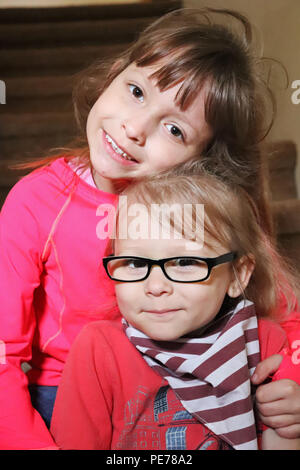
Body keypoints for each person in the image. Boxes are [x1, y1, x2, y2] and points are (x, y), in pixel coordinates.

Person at [0, 7, 299, 449]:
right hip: (66, 400)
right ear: (115, 74)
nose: (134, 129)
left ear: (202, 159)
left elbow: (283, 315)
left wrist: (291, 386)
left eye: (175, 129)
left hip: (195, 379)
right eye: (137, 91)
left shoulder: (206, 209)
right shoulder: (37, 201)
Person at [50, 172, 300, 450]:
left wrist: (289, 423)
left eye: (184, 261)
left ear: (237, 275)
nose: (155, 286)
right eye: (134, 262)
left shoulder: (261, 341)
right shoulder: (98, 348)